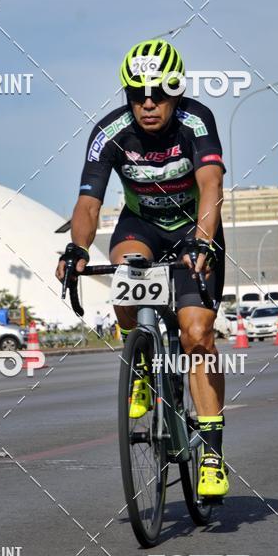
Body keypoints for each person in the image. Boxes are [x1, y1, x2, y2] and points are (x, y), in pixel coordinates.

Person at [55, 39, 228, 499]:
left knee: (197, 336)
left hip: (193, 227)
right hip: (142, 226)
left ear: (176, 92)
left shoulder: (196, 121)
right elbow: (88, 203)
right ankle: (144, 364)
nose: (148, 103)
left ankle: (212, 453)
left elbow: (211, 185)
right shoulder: (110, 131)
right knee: (125, 275)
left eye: (159, 93)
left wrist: (203, 240)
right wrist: (76, 248)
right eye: (137, 94)